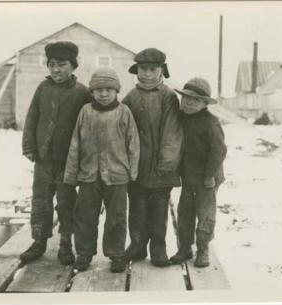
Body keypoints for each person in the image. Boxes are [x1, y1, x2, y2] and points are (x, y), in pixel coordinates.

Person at [20, 41, 91, 265]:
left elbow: (86, 126)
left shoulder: (82, 92)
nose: (56, 69)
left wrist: (82, 158)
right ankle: (38, 242)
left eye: (61, 64)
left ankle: (65, 245)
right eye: (51, 65)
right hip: (43, 160)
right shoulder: (43, 88)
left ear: (73, 66)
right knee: (41, 202)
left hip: (67, 162)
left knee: (66, 203)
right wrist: (29, 146)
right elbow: (32, 118)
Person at [64, 68, 140, 273]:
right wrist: (71, 175)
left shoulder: (124, 112)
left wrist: (132, 172)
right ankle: (84, 253)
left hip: (117, 176)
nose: (104, 94)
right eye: (99, 90)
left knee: (116, 217)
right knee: (85, 215)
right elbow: (75, 144)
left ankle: (116, 254)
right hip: (89, 175)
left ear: (116, 91)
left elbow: (133, 144)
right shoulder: (86, 112)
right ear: (92, 92)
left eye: (109, 89)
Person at [122, 48, 183, 267]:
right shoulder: (130, 97)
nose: (147, 73)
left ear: (162, 71)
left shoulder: (168, 97)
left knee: (158, 208)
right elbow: (123, 129)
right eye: (142, 69)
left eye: (152, 69)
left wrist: (166, 163)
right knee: (137, 206)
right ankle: (137, 245)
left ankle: (158, 247)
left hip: (161, 167)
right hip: (137, 165)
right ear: (136, 70)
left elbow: (172, 132)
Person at [170, 77, 227, 268]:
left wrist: (210, 175)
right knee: (185, 212)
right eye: (185, 98)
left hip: (207, 178)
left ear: (204, 104)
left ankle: (203, 250)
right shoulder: (181, 118)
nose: (187, 102)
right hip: (189, 176)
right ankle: (184, 248)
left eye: (194, 100)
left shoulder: (211, 123)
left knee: (205, 215)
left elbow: (219, 151)